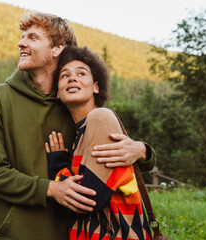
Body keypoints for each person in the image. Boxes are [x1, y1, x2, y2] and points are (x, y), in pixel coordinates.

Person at [0, 11, 155, 240]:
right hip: (11, 234)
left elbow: (113, 158)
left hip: (69, 233)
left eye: (32, 37)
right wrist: (52, 189)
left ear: (57, 48)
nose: (20, 43)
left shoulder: (75, 102)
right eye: (22, 36)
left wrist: (141, 151)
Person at [46, 46, 153, 240]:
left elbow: (88, 200)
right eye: (64, 76)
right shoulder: (81, 133)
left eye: (81, 73)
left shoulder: (100, 118)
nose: (72, 78)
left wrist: (57, 166)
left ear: (96, 87)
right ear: (58, 94)